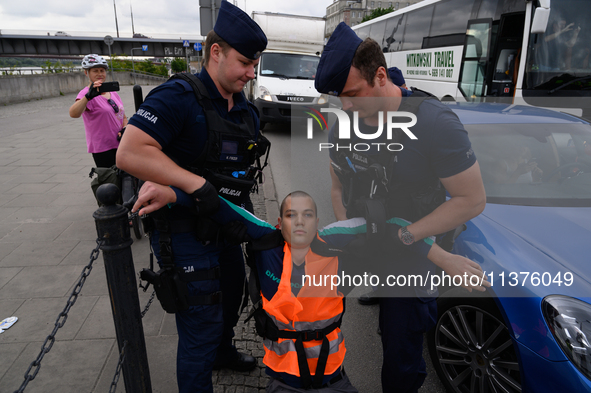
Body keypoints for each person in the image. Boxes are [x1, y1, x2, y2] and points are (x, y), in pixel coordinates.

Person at [131, 185, 489, 392]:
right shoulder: (266, 241)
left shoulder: (335, 243)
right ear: (278, 221)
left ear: (319, 223)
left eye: (307, 215)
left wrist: (443, 258)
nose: (299, 222)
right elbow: (216, 203)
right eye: (290, 215)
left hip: (333, 379)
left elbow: (392, 223)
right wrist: (172, 192)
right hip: (282, 380)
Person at [314, 22, 487, 393]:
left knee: (401, 351)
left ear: (380, 76)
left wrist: (409, 236)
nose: (344, 106)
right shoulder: (344, 125)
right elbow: (337, 186)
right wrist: (348, 235)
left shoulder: (436, 125)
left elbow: (471, 199)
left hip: (411, 249)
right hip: (366, 235)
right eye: (338, 97)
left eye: (352, 94)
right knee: (311, 310)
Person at [115, 2, 268, 392]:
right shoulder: (180, 95)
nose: (252, 73)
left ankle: (223, 351)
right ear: (216, 52)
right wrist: (192, 185)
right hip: (186, 238)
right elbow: (130, 152)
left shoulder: (245, 111)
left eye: (255, 64)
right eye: (245, 62)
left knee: (231, 299)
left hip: (226, 230)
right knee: (199, 330)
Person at [69, 54, 127, 168]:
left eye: (102, 70)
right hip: (103, 148)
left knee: (126, 181)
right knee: (111, 181)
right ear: (87, 73)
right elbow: (73, 113)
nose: (100, 74)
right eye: (95, 71)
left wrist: (125, 128)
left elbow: (123, 116)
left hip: (121, 144)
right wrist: (88, 97)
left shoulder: (113, 93)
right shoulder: (86, 94)